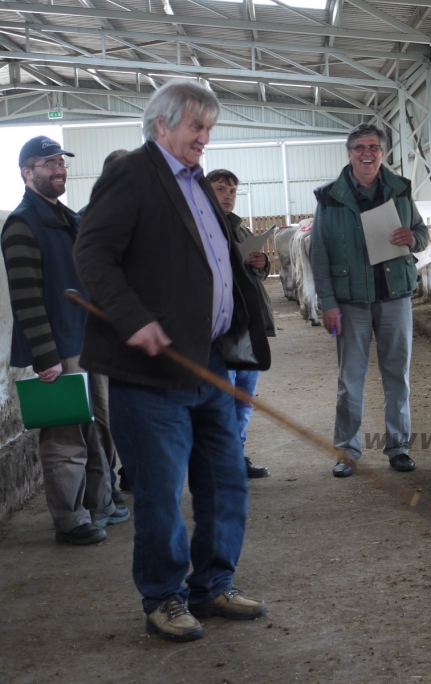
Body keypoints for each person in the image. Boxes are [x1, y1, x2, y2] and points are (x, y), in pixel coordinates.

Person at [74, 80, 271, 642]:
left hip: (209, 361)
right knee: (161, 490)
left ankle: (213, 583)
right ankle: (164, 595)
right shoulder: (133, 173)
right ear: (162, 125)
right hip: (152, 373)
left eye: (208, 128)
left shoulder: (196, 183)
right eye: (196, 127)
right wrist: (133, 318)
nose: (204, 138)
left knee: (225, 477)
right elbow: (92, 253)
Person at [1, 136, 129, 545]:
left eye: (61, 161)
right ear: (27, 172)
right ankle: (70, 518)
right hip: (59, 347)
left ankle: (100, 502)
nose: (59, 168)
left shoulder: (68, 218)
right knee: (63, 435)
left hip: (88, 342)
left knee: (98, 427)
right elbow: (25, 297)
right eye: (48, 162)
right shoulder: (22, 224)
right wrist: (45, 356)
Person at [310, 122, 430, 478]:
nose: (367, 153)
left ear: (382, 153)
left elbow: (423, 235)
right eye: (360, 147)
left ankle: (398, 447)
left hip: (395, 297)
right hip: (350, 303)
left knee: (398, 375)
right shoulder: (330, 197)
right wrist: (327, 303)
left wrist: (413, 237)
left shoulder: (400, 189)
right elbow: (319, 254)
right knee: (350, 379)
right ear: (349, 154)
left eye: (374, 147)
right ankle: (347, 450)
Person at [207, 168, 273, 480]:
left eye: (232, 191)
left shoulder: (241, 230)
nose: (227, 196)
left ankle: (236, 456)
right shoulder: (197, 229)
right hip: (220, 329)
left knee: (243, 398)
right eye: (220, 189)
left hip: (248, 326)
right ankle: (221, 460)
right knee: (223, 397)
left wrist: (262, 264)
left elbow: (254, 276)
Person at [79, 147, 131, 503]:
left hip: (134, 332)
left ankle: (130, 472)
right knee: (104, 415)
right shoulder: (83, 221)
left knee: (131, 409)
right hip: (102, 332)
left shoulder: (142, 220)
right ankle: (106, 485)